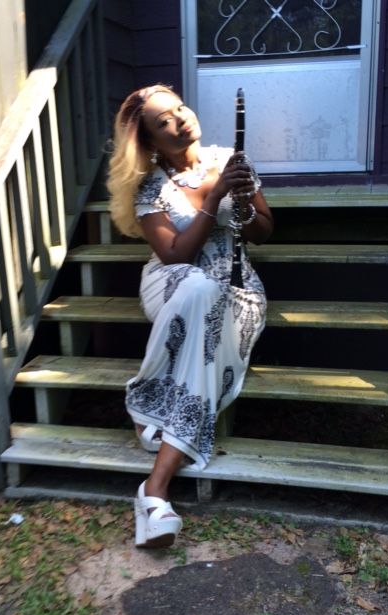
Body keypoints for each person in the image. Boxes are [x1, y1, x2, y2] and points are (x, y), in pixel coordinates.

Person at [106, 85, 273, 548]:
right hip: (174, 284)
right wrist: (214, 197)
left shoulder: (231, 160)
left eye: (179, 108)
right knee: (200, 289)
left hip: (238, 288)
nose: (181, 120)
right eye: (164, 121)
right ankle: (157, 489)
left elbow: (264, 231)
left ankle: (153, 485)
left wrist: (243, 205)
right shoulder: (150, 187)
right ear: (149, 141)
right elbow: (176, 254)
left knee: (210, 312)